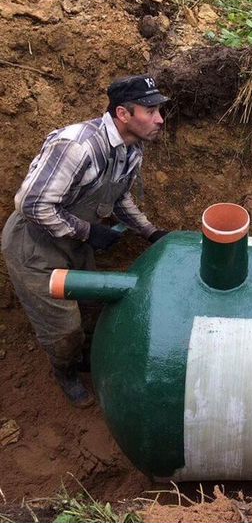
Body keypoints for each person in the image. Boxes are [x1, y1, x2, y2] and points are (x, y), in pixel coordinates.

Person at [1, 75, 170, 408]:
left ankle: (84, 355)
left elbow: (119, 198)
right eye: (150, 111)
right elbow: (33, 204)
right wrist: (90, 233)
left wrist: (150, 232)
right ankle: (64, 370)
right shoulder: (77, 145)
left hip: (74, 242)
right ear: (123, 114)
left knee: (91, 306)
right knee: (63, 329)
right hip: (34, 248)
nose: (159, 119)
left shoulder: (131, 149)